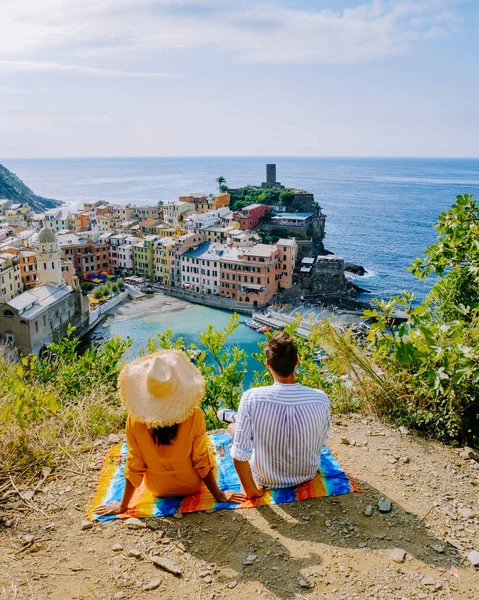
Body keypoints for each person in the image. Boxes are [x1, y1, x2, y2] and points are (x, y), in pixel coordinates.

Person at [96, 350, 245, 516]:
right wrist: (218, 495)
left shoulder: (135, 419)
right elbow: (200, 459)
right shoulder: (193, 415)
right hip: (192, 485)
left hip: (158, 488)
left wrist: (123, 505)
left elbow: (135, 464)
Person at [218, 331, 330, 499]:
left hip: (266, 479)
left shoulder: (252, 397)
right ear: (297, 363)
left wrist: (251, 491)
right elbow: (321, 440)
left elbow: (239, 455)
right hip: (307, 474)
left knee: (233, 429)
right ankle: (236, 418)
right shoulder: (320, 398)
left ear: (267, 364)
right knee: (240, 426)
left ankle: (236, 418)